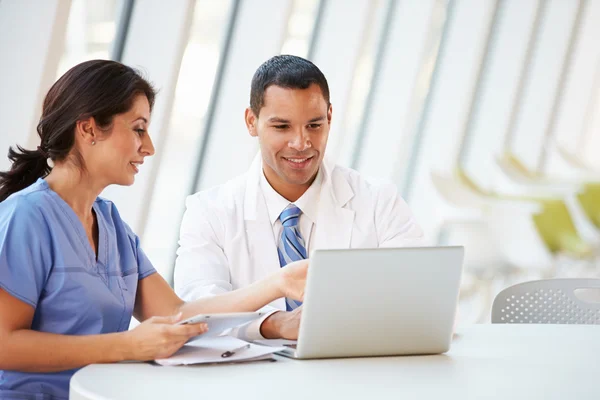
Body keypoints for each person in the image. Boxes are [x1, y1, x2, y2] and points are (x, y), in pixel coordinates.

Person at [0, 60, 307, 400]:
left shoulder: (110, 223)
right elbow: (4, 344)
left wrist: (277, 284)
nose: (148, 147)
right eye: (138, 129)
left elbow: (177, 314)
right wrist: (125, 345)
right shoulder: (26, 218)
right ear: (87, 130)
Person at [174, 55, 424, 341]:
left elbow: (425, 304)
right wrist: (274, 324)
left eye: (314, 125)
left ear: (330, 117)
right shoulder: (208, 212)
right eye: (282, 127)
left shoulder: (379, 201)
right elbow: (197, 314)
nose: (301, 143)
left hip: (355, 374)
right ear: (251, 122)